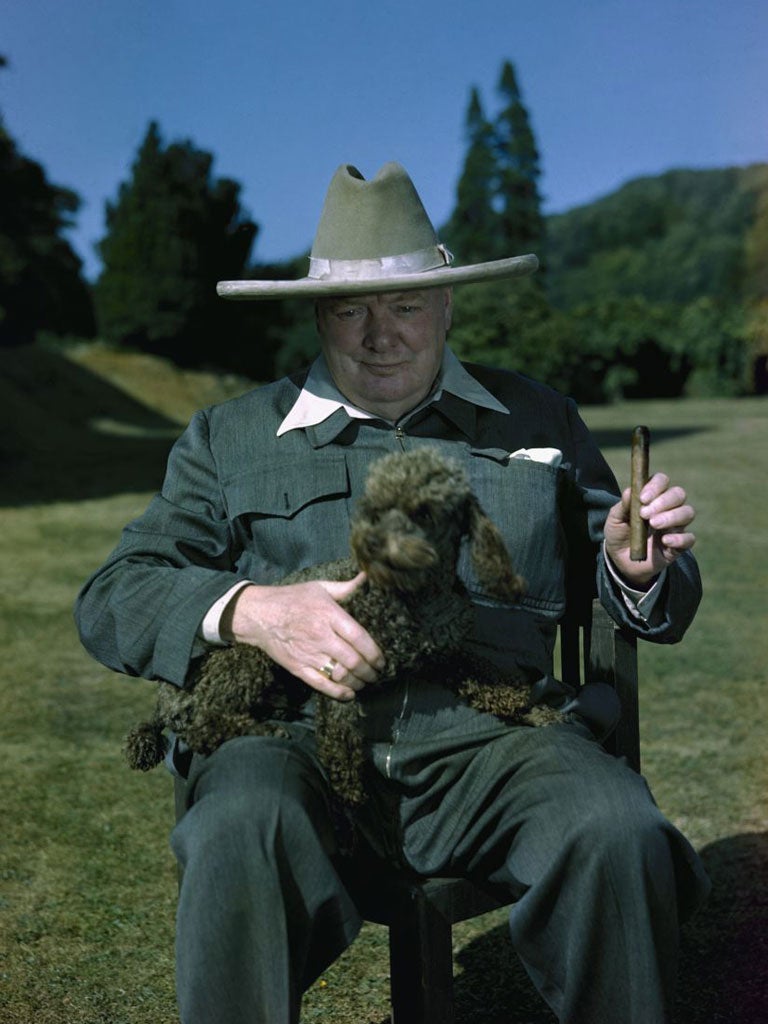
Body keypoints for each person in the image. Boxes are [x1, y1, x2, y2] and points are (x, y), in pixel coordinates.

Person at [75, 161, 709, 1024]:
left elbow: (635, 561)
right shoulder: (231, 435)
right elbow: (116, 593)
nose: (382, 336)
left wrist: (639, 568)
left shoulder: (537, 418)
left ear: (447, 305)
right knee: (236, 829)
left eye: (407, 306)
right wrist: (254, 611)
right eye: (351, 311)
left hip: (495, 742)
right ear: (316, 314)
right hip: (290, 741)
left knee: (615, 826)